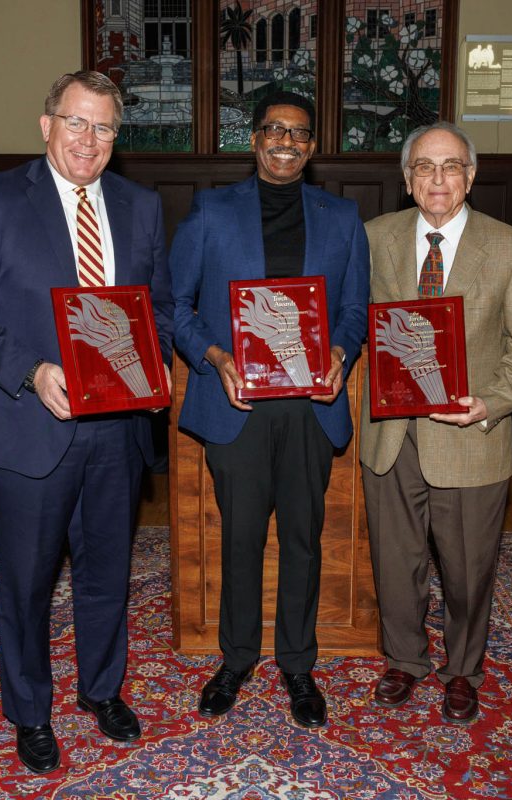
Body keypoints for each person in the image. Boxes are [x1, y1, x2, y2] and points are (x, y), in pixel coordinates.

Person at [0, 70, 173, 774]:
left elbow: (156, 306)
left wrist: (150, 361)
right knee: (28, 581)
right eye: (77, 122)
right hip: (28, 423)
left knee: (107, 572)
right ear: (46, 126)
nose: (89, 140)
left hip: (116, 428)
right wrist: (32, 371)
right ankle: (30, 712)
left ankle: (102, 691)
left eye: (103, 128)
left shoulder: (141, 206)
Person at [170, 90, 369, 729]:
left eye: (300, 134)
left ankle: (298, 665)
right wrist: (214, 356)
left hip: (311, 407)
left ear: (313, 147)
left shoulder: (341, 218)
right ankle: (235, 658)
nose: (287, 142)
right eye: (275, 130)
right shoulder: (209, 211)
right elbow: (173, 304)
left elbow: (355, 310)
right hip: (239, 405)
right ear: (254, 139)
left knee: (305, 540)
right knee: (242, 536)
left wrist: (341, 349)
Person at [358, 122, 512, 723]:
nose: (438, 179)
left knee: (467, 570)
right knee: (395, 559)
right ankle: (405, 660)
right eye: (425, 168)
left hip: (470, 436)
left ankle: (463, 669)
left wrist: (489, 403)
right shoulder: (371, 239)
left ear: (471, 175)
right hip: (390, 435)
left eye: (452, 166)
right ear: (407, 180)